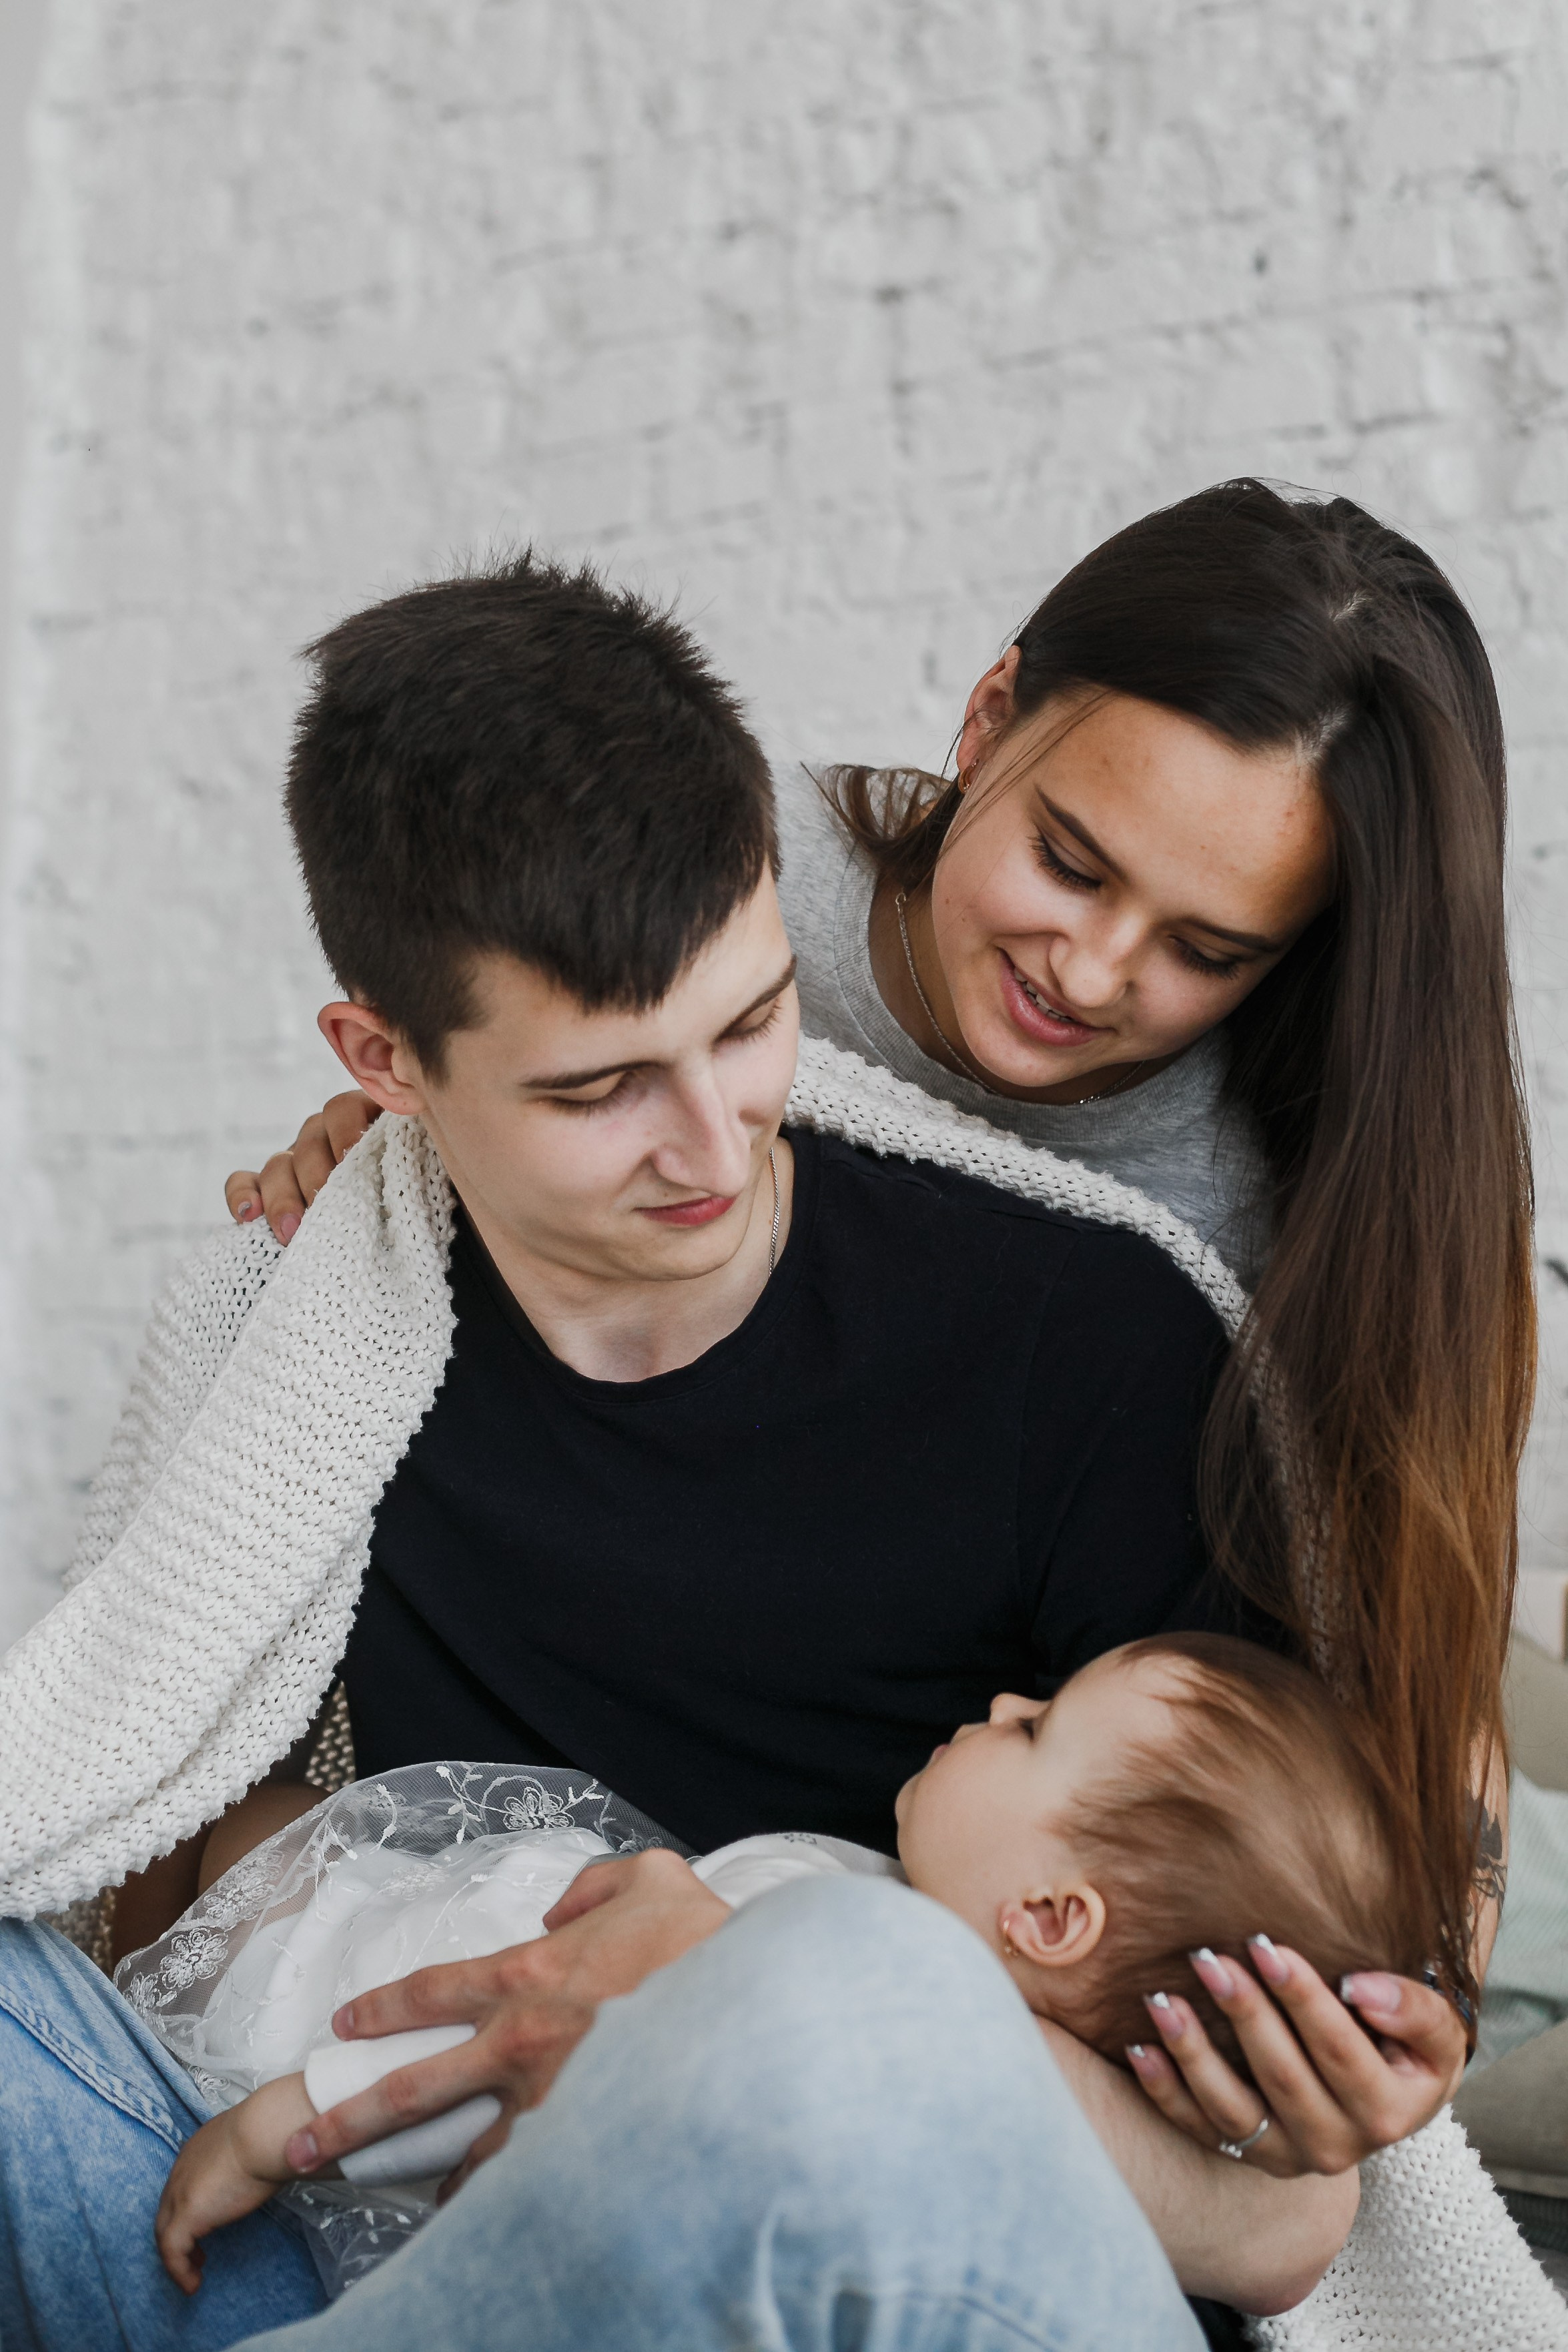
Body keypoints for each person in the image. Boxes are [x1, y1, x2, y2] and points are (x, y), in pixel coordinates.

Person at [0, 551, 1385, 2351]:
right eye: (594, 1090)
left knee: (848, 1984)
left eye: (746, 1025)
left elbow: (1282, 2202)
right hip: (332, 2235)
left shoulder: (1091, 1342)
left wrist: (734, 1997)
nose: (710, 1146)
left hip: (789, 2261)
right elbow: (155, 1864)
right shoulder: (307, 1328)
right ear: (385, 1058)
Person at [240, 479, 1529, 2147]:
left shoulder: (1254, 1218)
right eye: (1068, 858)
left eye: (1203, 948)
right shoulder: (732, 880)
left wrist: (1403, 2012)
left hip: (977, 1914)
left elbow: (1400, 1685)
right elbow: (485, 1035)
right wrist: (391, 1150)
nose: (1088, 968)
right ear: (985, 715)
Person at [143, 1634, 1431, 2306]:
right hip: (431, 1926)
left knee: (255, 1876)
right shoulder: (1013, 2093)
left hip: (338, 2023)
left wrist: (280, 2126)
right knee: (272, 1844)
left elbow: (515, 2059)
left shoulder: (825, 1952)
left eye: (1033, 1729)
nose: (994, 1708)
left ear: (1048, 1915)